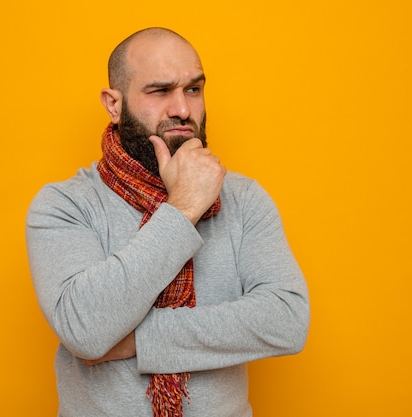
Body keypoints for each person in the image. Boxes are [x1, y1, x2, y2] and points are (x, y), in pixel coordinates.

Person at [26, 27, 310, 417]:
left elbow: (287, 319)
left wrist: (136, 340)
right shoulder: (65, 205)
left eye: (193, 90)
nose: (182, 109)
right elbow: (85, 330)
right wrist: (184, 208)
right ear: (113, 104)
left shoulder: (243, 198)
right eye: (160, 91)